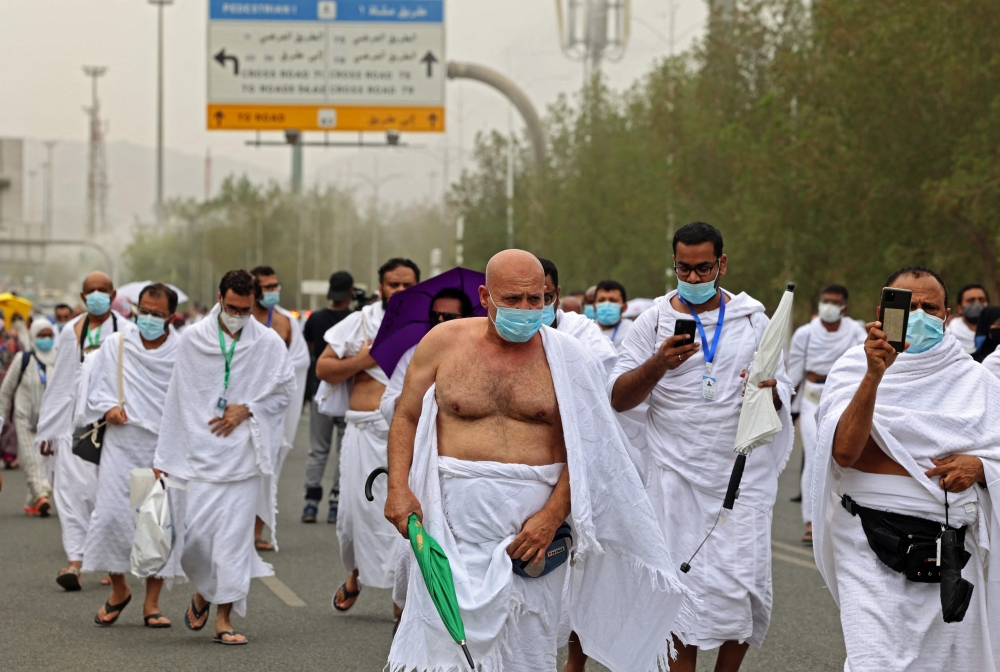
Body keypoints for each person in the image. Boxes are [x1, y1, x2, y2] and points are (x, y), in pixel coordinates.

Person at [384, 250, 692, 672]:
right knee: (442, 652)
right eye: (513, 300)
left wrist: (551, 516)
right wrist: (398, 488)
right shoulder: (443, 343)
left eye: (537, 300)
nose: (527, 311)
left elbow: (589, 448)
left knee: (527, 652)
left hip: (532, 539)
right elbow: (407, 413)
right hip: (451, 528)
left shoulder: (568, 357)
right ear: (484, 296)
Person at [609, 222, 793, 672]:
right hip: (673, 477)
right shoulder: (651, 322)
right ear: (673, 264)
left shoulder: (753, 320)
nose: (692, 279)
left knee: (743, 586)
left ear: (721, 264)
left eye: (702, 268)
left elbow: (781, 389)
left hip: (739, 479)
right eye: (683, 269)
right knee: (677, 590)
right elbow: (618, 396)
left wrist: (766, 389)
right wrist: (657, 364)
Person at [810, 266, 1000, 670]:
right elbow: (844, 452)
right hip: (867, 536)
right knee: (874, 661)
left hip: (950, 545)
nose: (918, 314)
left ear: (946, 316)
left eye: (928, 307)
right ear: (882, 311)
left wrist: (981, 467)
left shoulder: (975, 380)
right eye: (906, 305)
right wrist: (874, 375)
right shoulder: (853, 367)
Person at [154, 270, 295, 645]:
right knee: (196, 541)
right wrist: (164, 454)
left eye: (246, 309)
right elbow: (176, 398)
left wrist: (248, 409)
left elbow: (285, 391)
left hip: (245, 457)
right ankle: (203, 589)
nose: (238, 314)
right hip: (199, 457)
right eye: (232, 307)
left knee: (233, 541)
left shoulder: (268, 343)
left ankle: (224, 618)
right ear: (219, 297)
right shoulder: (192, 340)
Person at [316, 258, 419, 612]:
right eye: (394, 285)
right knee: (353, 517)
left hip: (408, 436)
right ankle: (356, 573)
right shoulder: (358, 323)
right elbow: (324, 369)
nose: (401, 291)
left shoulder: (431, 327)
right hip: (362, 433)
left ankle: (401, 600)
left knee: (406, 517)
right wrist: (364, 360)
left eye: (408, 285)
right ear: (380, 288)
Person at [81, 284, 182, 628]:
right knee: (110, 517)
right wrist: (108, 408)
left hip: (165, 448)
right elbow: (96, 388)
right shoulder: (116, 344)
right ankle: (119, 589)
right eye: (145, 311)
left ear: (170, 316)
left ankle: (151, 603)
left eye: (158, 314)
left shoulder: (183, 349)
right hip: (121, 443)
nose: (150, 319)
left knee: (157, 524)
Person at [378, 286, 476, 620]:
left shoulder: (484, 358)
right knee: (413, 559)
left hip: (469, 479)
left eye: (449, 317)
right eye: (435, 316)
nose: (440, 321)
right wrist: (423, 400)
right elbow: (390, 407)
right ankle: (403, 628)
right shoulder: (415, 354)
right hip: (423, 470)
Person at [36, 271, 135, 591]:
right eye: (90, 291)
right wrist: (50, 430)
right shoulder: (70, 331)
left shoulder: (128, 331)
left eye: (102, 291)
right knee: (70, 494)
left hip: (114, 426)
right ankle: (75, 563)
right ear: (82, 297)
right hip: (74, 427)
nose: (96, 295)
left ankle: (111, 563)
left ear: (112, 294)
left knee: (107, 496)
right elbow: (61, 383)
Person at [786, 284, 866, 545]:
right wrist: (783, 406)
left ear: (844, 306)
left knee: (844, 461)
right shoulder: (805, 334)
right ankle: (811, 521)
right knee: (815, 455)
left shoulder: (855, 331)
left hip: (844, 398)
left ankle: (840, 522)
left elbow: (864, 367)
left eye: (835, 301)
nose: (829, 305)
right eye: (826, 300)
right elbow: (794, 373)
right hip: (811, 398)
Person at [249, 266, 311, 551]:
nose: (272, 291)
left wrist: (274, 372)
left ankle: (256, 531)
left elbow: (300, 361)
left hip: (273, 407)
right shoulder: (240, 317)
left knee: (268, 466)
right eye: (266, 286)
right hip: (241, 406)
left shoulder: (286, 322)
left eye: (276, 285)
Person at [301, 271, 355, 524]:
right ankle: (336, 501)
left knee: (318, 450)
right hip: (349, 393)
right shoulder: (355, 320)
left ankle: (310, 503)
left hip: (320, 393)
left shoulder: (316, 319)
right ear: (351, 291)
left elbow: (310, 348)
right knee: (344, 451)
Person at [0, 317, 57, 516]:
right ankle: (41, 494)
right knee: (32, 459)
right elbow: (5, 392)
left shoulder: (59, 359)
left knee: (48, 462)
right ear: (33, 336)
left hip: (51, 423)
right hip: (24, 420)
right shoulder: (22, 359)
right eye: (41, 335)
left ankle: (32, 501)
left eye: (49, 335)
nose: (46, 339)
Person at [538, 259, 617, 376]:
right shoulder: (510, 338)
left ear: (558, 294)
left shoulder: (584, 333)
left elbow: (607, 384)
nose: (537, 307)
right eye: (532, 298)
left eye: (546, 298)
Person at [0, 312, 24, 470]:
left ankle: (9, 454)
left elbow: (22, 356)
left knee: (10, 417)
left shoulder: (13, 337)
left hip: (9, 381)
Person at [946, 283, 989, 353]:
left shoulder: (995, 331)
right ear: (959, 308)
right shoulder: (948, 335)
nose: (977, 305)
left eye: (981, 300)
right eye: (971, 301)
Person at [594, 279, 632, 351]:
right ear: (594, 306)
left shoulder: (632, 331)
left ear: (624, 307)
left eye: (613, 301)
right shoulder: (587, 331)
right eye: (601, 300)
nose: (606, 304)